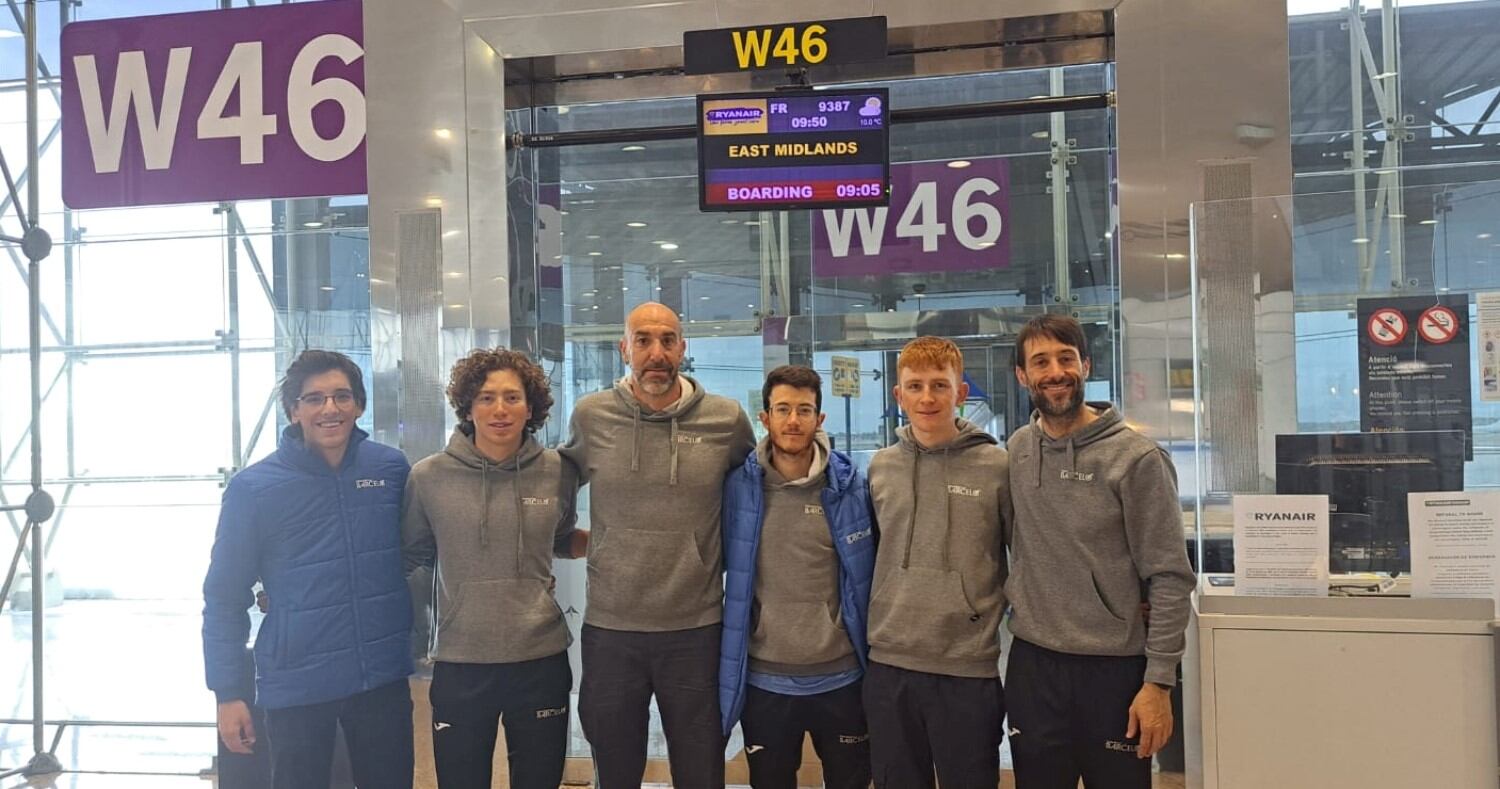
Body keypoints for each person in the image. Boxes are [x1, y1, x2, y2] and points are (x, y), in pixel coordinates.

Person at [560, 301, 755, 788]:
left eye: (667, 340)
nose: (656, 352)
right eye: (643, 340)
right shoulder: (591, 416)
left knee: (701, 770)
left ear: (683, 349)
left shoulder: (725, 420)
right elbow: (555, 485)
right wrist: (584, 543)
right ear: (625, 348)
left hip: (696, 629)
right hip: (612, 629)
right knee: (617, 769)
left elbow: (758, 495)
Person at [203, 350, 414, 789]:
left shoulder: (391, 470)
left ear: (359, 404)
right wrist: (228, 693)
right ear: (294, 410)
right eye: (314, 398)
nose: (330, 408)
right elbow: (224, 596)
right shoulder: (254, 489)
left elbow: (416, 552)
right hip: (296, 684)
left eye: (341, 396)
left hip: (380, 679)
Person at [1004, 313, 1196, 789]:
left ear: (1086, 365)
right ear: (1022, 376)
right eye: (1041, 361)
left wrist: (1158, 682)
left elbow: (1171, 576)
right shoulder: (1018, 450)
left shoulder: (1137, 460)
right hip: (1033, 667)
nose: (1055, 372)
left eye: (1066, 358)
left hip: (1114, 672)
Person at [402, 348, 587, 789]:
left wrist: (618, 546)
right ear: (467, 406)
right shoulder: (428, 478)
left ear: (531, 407)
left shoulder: (558, 471)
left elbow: (559, 539)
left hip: (539, 659)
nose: (499, 410)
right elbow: (413, 557)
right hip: (461, 660)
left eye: (512, 397)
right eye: (486, 398)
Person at [719, 365, 876, 789]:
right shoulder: (737, 490)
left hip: (843, 678)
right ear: (764, 417)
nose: (793, 420)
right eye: (783, 409)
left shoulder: (852, 489)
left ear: (819, 419)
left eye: (804, 410)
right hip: (765, 683)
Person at [863, 336, 1010, 788]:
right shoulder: (879, 468)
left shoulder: (997, 467)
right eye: (915, 386)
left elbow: (1024, 556)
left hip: (967, 668)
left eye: (939, 386)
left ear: (960, 393)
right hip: (890, 665)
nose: (927, 398)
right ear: (898, 394)